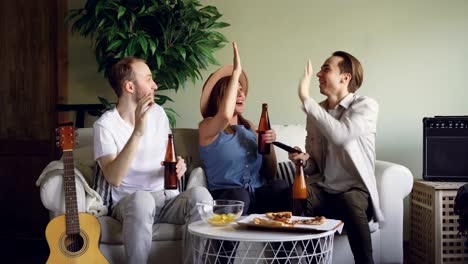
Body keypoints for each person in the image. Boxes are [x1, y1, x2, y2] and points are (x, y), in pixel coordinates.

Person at [93, 57, 212, 264]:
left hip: (167, 199)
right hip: (130, 202)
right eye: (148, 79)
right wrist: (138, 131)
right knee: (143, 200)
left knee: (202, 196)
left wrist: (178, 166)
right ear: (129, 86)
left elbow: (168, 160)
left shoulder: (159, 114)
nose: (155, 85)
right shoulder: (105, 126)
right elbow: (114, 178)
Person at [289, 51, 382, 264]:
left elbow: (341, 135)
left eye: (326, 69)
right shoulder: (318, 112)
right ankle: (316, 260)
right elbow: (315, 166)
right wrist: (303, 161)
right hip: (325, 189)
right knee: (299, 195)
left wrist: (306, 98)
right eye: (320, 70)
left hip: (355, 192)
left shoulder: (365, 106)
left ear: (345, 77)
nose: (318, 74)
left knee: (348, 200)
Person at [198, 42, 290, 215]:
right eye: (235, 91)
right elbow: (224, 116)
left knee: (281, 186)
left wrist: (269, 145)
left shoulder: (250, 127)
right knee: (239, 195)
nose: (241, 95)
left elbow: (270, 174)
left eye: (242, 91)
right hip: (228, 196)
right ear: (221, 97)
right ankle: (224, 242)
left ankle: (286, 242)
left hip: (258, 194)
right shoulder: (207, 127)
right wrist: (236, 72)